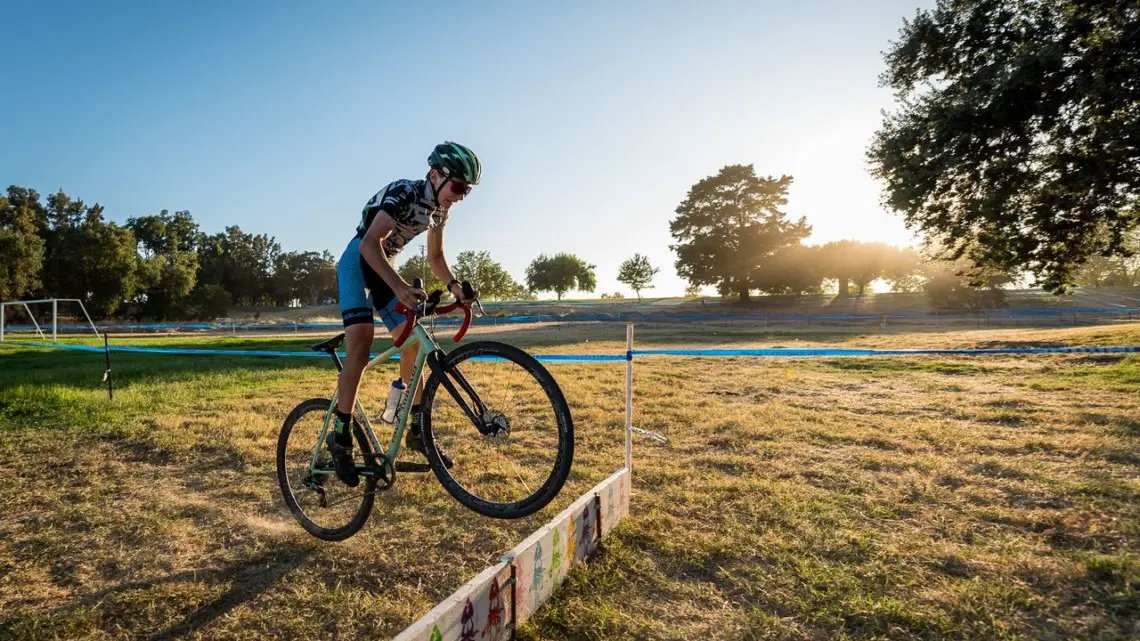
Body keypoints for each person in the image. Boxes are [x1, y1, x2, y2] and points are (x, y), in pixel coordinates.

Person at [328, 141, 481, 487]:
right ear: (435, 175)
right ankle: (340, 436)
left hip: (385, 268)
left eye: (467, 191)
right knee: (361, 346)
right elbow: (369, 244)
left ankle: (416, 430)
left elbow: (436, 257)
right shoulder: (405, 192)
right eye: (458, 187)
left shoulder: (440, 210)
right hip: (359, 260)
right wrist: (398, 287)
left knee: (413, 344)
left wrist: (456, 288)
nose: (460, 196)